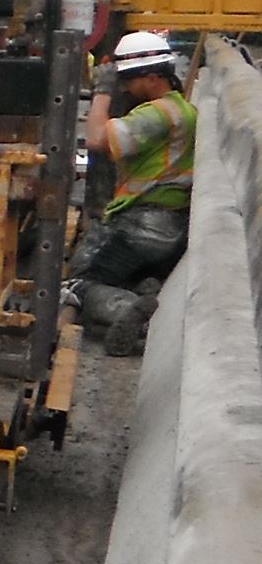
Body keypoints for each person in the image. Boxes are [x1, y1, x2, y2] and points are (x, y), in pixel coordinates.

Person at [68, 30, 196, 355]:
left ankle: (128, 309)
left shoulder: (159, 114)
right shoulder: (181, 110)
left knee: (77, 286)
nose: (124, 86)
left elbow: (96, 139)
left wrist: (102, 91)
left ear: (153, 78)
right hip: (164, 226)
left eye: (128, 80)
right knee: (101, 278)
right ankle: (141, 291)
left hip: (144, 224)